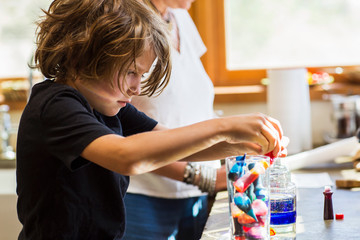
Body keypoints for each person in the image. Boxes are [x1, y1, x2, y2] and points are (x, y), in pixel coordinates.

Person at [16, 0, 287, 239]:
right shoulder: (55, 106)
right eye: (131, 72)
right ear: (87, 56)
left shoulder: (110, 105)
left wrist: (247, 144)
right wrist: (225, 126)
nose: (136, 88)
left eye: (141, 75)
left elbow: (174, 145)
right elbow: (126, 157)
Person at [124, 1, 227, 239]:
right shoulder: (127, 22)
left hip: (196, 196)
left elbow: (193, 106)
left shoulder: (181, 19)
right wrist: (206, 178)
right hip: (143, 198)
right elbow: (122, 131)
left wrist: (235, 146)